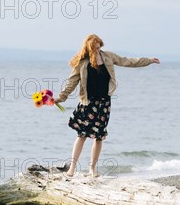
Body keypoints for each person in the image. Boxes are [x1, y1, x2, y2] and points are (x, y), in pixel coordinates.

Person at [55, 34, 160, 178]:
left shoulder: (107, 57)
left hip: (103, 103)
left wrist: (148, 61)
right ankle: (72, 168)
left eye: (100, 47)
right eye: (95, 48)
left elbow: (127, 61)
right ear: (89, 48)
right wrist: (61, 98)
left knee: (98, 137)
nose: (98, 50)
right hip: (88, 104)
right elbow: (71, 82)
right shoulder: (82, 62)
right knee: (82, 135)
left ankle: (92, 168)